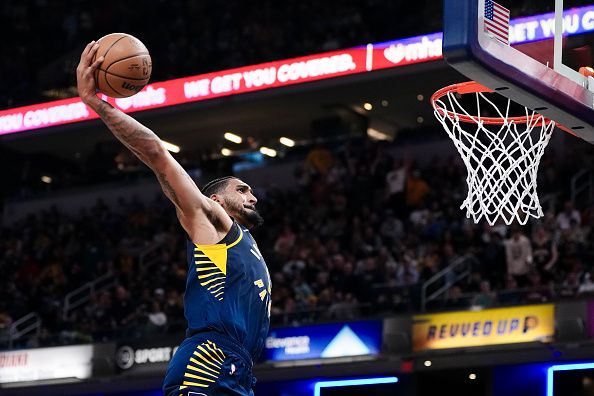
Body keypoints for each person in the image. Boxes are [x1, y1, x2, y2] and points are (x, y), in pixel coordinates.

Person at [77, 41, 271, 396]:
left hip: (239, 369)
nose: (252, 195)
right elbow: (157, 156)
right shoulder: (212, 221)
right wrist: (96, 103)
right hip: (208, 362)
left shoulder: (249, 244)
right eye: (241, 189)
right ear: (215, 199)